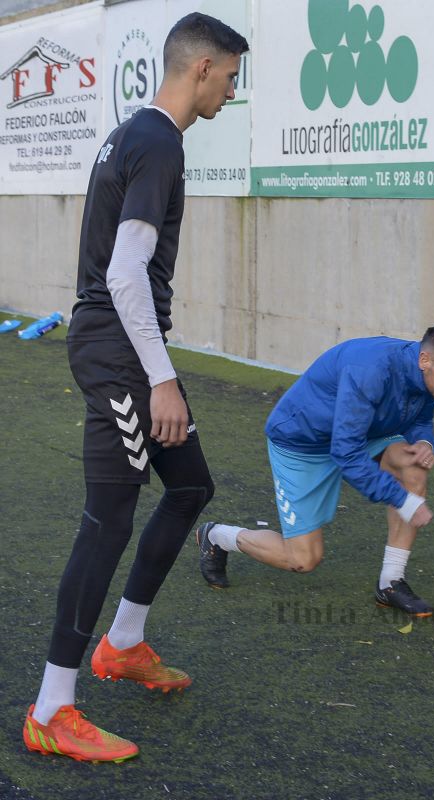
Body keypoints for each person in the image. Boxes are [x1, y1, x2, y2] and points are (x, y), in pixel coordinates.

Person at [22, 13, 249, 764]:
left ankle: (122, 643)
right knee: (107, 521)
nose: (231, 92)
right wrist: (161, 379)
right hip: (117, 353)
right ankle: (51, 709)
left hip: (119, 345)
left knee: (190, 487)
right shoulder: (158, 141)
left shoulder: (136, 134)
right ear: (203, 67)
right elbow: (124, 274)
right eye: (231, 78)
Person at [196, 324, 434, 617]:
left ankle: (390, 582)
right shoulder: (370, 370)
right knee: (302, 559)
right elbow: (346, 452)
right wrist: (403, 501)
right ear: (425, 360)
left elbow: (420, 419)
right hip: (303, 443)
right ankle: (217, 536)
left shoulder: (425, 370)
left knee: (413, 466)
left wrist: (424, 442)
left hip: (360, 434)